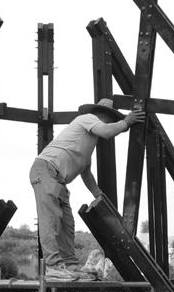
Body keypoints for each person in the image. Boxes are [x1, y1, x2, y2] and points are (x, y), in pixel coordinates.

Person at [29, 98, 145, 280]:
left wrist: (99, 195)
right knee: (51, 220)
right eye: (111, 118)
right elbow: (107, 131)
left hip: (58, 179)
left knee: (67, 224)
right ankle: (53, 267)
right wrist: (126, 122)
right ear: (103, 115)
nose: (110, 121)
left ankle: (69, 265)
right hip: (46, 171)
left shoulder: (88, 142)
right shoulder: (88, 119)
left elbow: (86, 174)